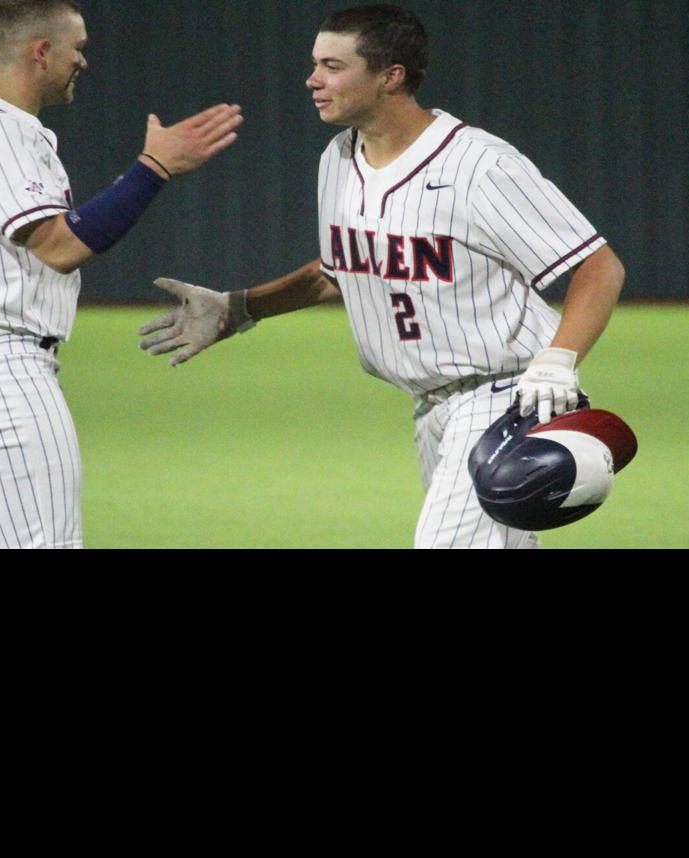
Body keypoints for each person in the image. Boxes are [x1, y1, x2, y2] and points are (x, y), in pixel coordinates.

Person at [140, 3, 626, 549]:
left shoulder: (477, 165)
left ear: (390, 76)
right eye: (314, 63)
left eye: (333, 65)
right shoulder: (338, 158)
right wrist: (242, 307)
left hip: (503, 397)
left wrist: (559, 362)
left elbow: (596, 264)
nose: (313, 79)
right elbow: (341, 270)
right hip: (429, 407)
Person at [0, 0, 241, 548]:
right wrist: (154, 168)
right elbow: (59, 246)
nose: (83, 61)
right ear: (40, 51)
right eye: (77, 49)